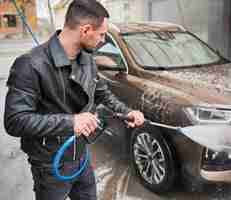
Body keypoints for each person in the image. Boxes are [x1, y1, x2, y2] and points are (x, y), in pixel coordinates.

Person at [4, 0, 144, 199]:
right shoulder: (30, 64)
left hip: (81, 154)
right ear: (85, 30)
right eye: (102, 34)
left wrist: (126, 112)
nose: (103, 40)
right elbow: (15, 121)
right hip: (50, 163)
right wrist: (71, 121)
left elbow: (101, 92)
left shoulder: (86, 58)